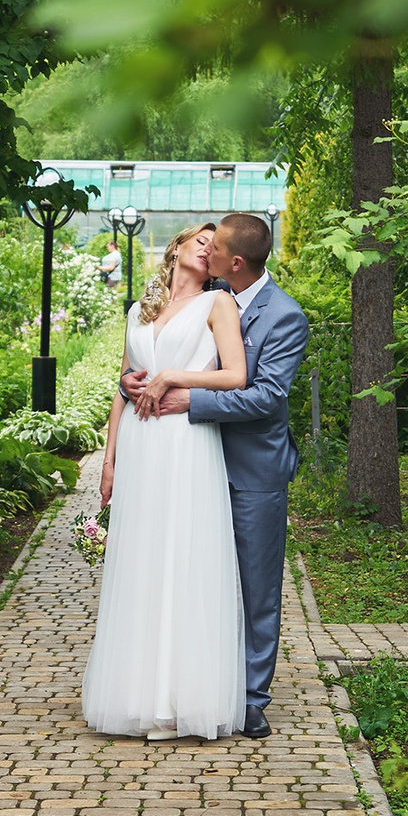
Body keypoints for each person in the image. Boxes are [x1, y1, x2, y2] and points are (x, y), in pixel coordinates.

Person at [120, 211, 307, 740]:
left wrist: (187, 399)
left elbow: (267, 396)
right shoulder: (207, 297)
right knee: (194, 578)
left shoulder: (283, 316)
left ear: (236, 261)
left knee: (255, 587)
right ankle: (192, 684)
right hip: (190, 461)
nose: (208, 251)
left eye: (216, 246)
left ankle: (248, 700)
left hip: (251, 471)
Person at [82, 224, 252, 740]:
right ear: (175, 247)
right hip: (139, 443)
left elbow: (236, 376)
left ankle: (186, 697)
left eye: (214, 244)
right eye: (199, 240)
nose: (207, 248)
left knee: (184, 553)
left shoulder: (216, 305)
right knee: (141, 558)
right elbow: (123, 384)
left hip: (184, 441)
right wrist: (109, 459)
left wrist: (174, 377)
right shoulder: (139, 309)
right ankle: (135, 693)